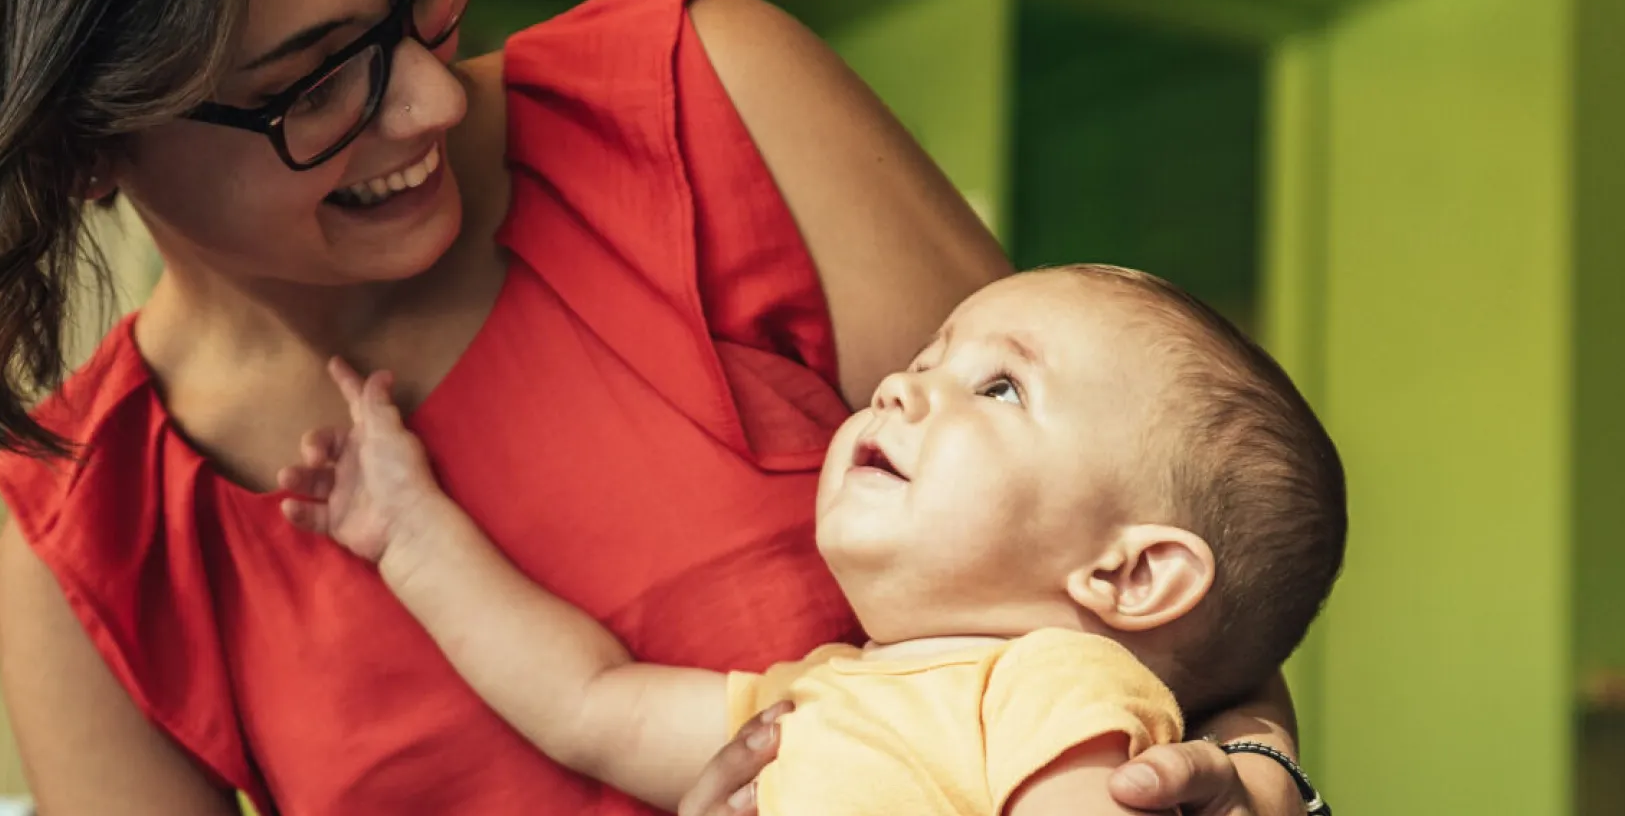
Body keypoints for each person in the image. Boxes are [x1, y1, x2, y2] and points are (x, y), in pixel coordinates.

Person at [0, 0, 1309, 812]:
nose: (436, 100)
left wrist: (1246, 775)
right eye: (321, 80)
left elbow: (1160, 545)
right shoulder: (101, 553)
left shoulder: (709, 102)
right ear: (78, 152)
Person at [277, 265, 1346, 815]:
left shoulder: (1056, 691)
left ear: (1129, 571)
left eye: (1001, 384)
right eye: (931, 353)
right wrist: (410, 535)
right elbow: (588, 702)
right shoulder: (821, 697)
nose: (903, 383)